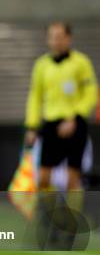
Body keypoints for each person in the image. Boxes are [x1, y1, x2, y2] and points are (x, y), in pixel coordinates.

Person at [24, 22, 98, 191]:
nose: (55, 41)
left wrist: (75, 117)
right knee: (43, 178)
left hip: (76, 124)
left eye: (59, 37)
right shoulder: (41, 65)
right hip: (51, 125)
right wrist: (32, 126)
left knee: (72, 179)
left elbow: (91, 93)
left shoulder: (81, 63)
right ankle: (49, 215)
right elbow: (35, 97)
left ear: (68, 38)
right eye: (52, 37)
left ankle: (72, 215)